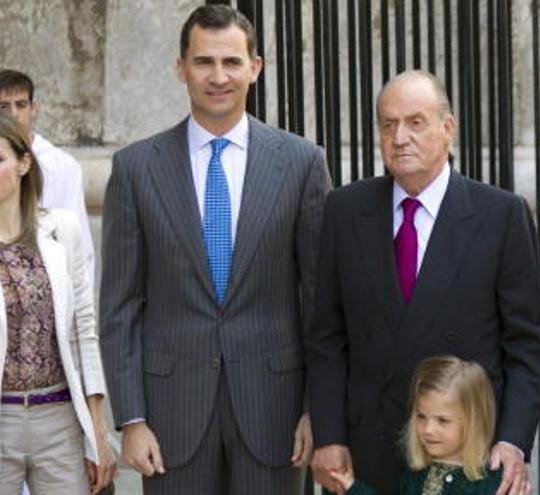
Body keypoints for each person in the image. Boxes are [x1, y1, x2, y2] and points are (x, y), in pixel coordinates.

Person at [99, 5, 329, 494]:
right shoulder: (136, 169)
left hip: (276, 411)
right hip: (169, 416)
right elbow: (119, 307)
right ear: (181, 68)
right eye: (204, 62)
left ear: (256, 67)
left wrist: (316, 407)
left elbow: (320, 300)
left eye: (231, 62)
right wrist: (131, 417)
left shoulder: (302, 163)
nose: (218, 76)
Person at [306, 70, 540, 495]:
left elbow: (525, 345)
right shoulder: (345, 210)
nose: (400, 137)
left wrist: (513, 441)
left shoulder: (501, 215)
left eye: (416, 122)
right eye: (388, 124)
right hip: (366, 450)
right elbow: (327, 337)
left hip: (467, 454)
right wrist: (329, 435)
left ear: (448, 128)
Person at [0, 113, 114, 493]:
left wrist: (97, 431)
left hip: (59, 416)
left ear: (23, 163)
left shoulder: (61, 230)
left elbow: (85, 329)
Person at [328, 355, 502, 494]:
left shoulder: (491, 484)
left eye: (442, 420)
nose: (428, 429)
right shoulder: (414, 477)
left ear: (473, 422)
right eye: (421, 416)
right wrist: (352, 487)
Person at [0, 69, 95, 281]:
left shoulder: (63, 166)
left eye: (21, 104)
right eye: (3, 106)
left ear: (34, 108)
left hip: (48, 279)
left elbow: (80, 245)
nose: (13, 114)